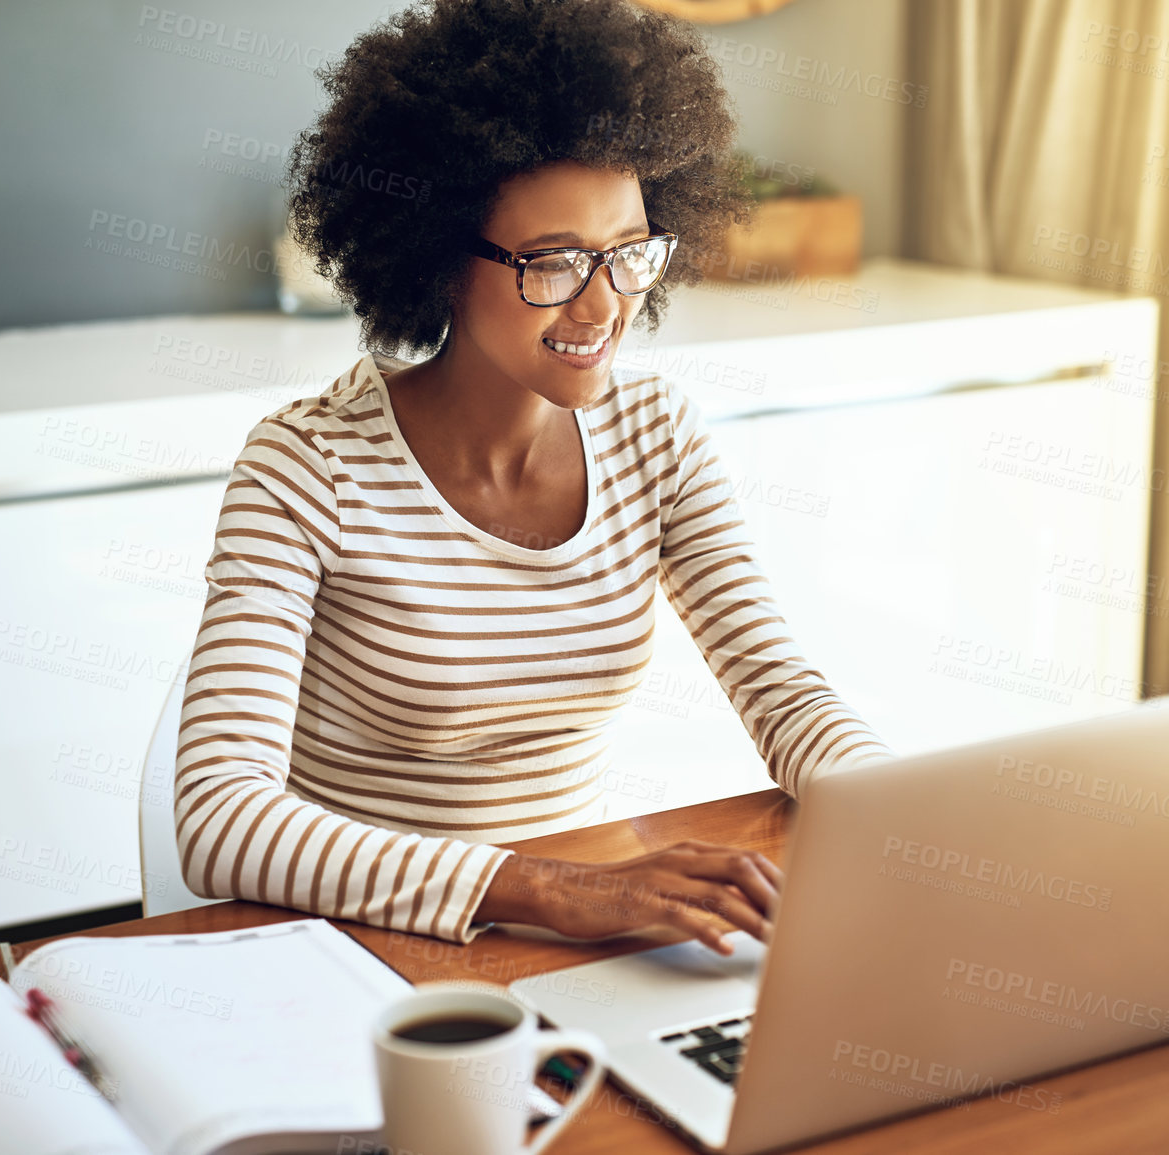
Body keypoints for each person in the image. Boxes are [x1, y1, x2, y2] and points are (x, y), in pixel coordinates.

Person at [174, 0, 892, 957]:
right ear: (437, 256)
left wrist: (907, 817)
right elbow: (221, 820)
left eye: (629, 252)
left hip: (582, 933)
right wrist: (551, 887)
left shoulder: (655, 434)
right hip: (359, 953)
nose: (603, 305)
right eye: (552, 262)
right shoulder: (306, 466)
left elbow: (783, 692)